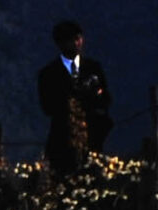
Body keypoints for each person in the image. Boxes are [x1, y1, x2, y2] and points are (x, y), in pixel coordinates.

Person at [35, 20, 112, 176]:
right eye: (72, 40)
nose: (77, 43)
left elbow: (107, 100)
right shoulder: (49, 74)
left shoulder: (93, 68)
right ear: (60, 43)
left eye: (79, 38)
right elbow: (47, 107)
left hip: (93, 139)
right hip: (61, 141)